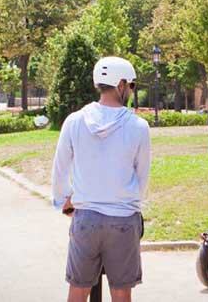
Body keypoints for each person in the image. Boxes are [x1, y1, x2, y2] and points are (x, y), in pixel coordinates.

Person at [51, 56, 151, 302]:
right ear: (120, 84)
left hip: (86, 218)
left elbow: (60, 168)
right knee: (121, 292)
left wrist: (63, 201)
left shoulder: (74, 121)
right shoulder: (138, 126)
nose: (130, 91)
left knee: (78, 290)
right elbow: (142, 177)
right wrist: (132, 203)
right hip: (123, 218)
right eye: (131, 86)